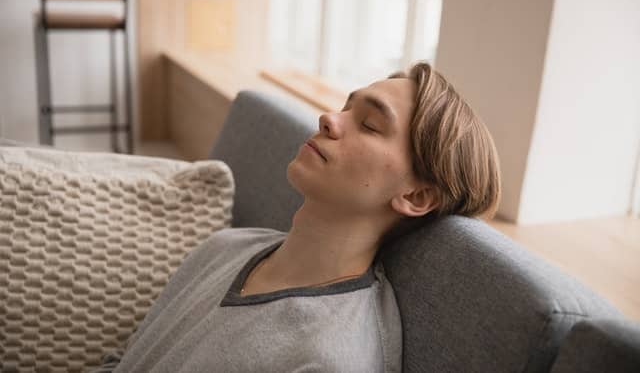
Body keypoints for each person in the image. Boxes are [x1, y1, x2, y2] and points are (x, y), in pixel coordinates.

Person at [95, 62, 501, 372]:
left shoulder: (330, 358)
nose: (328, 119)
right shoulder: (227, 246)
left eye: (370, 125)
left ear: (416, 196)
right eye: (345, 106)